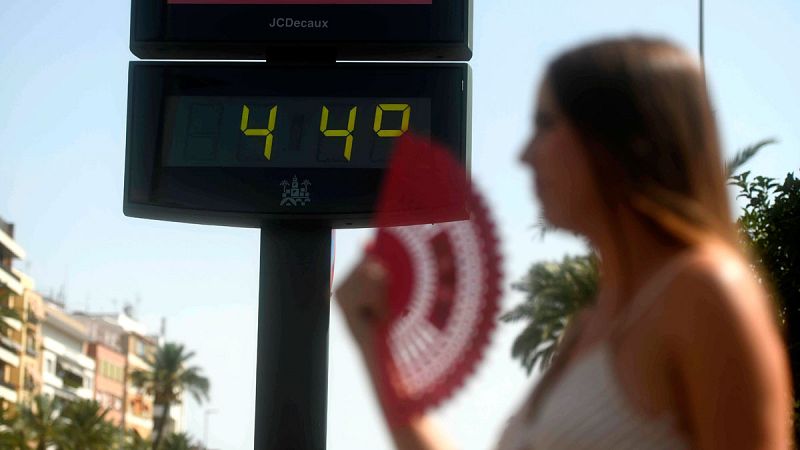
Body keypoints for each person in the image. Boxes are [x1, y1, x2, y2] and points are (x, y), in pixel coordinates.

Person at [334, 36, 793, 449]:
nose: (523, 155)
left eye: (546, 124)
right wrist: (377, 346)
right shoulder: (587, 326)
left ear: (618, 141)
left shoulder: (706, 292)